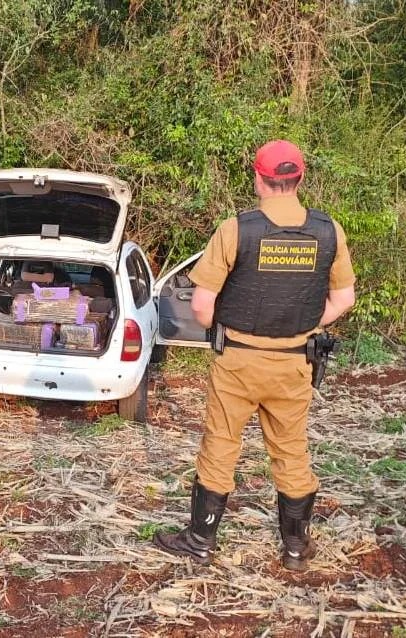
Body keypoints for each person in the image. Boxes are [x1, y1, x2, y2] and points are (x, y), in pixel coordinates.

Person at [153, 140, 356, 571]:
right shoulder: (328, 230)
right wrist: (305, 323)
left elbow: (202, 306)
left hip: (239, 361)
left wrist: (220, 329)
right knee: (292, 452)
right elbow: (344, 298)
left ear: (258, 178)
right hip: (295, 362)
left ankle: (200, 541)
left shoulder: (236, 229)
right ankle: (297, 549)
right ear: (300, 178)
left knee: (221, 446)